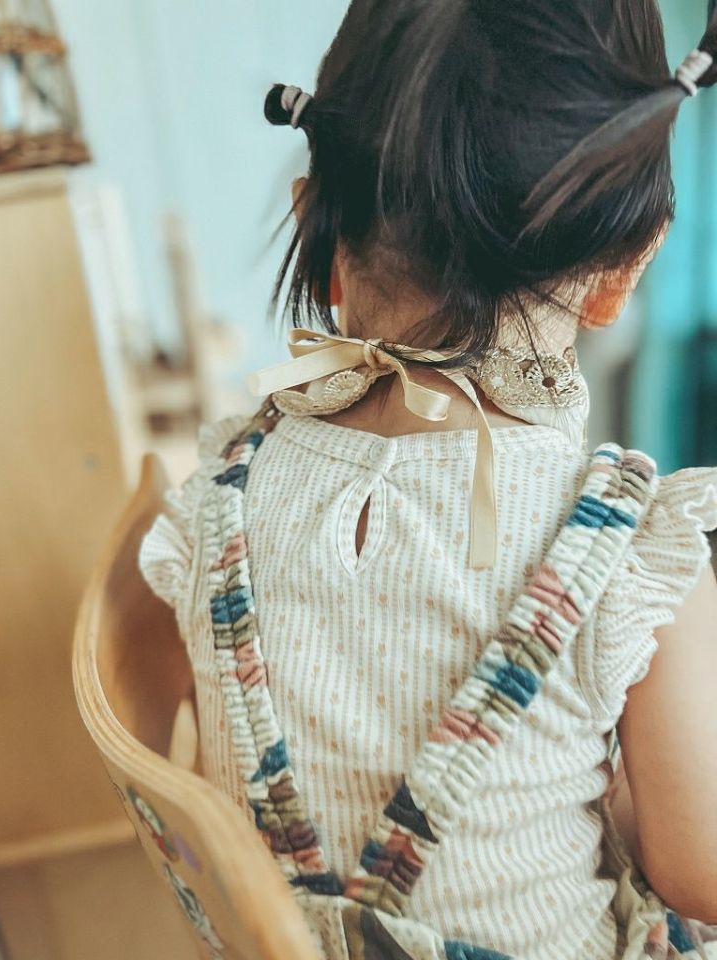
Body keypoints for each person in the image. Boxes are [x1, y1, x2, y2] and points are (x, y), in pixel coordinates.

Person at [140, 2, 717, 957]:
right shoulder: (631, 559)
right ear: (622, 272)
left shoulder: (221, 490)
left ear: (315, 225)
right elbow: (699, 870)